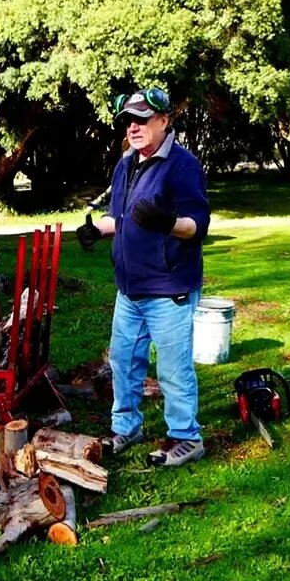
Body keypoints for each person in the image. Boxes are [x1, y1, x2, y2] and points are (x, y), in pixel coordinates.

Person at [76, 88, 211, 467]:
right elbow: (118, 217)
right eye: (128, 121)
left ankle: (186, 437)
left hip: (169, 289)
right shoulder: (126, 164)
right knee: (123, 361)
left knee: (172, 367)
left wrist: (169, 224)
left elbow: (197, 226)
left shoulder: (182, 166)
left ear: (164, 121)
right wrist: (97, 230)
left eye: (142, 120)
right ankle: (126, 427)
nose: (134, 128)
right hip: (130, 289)